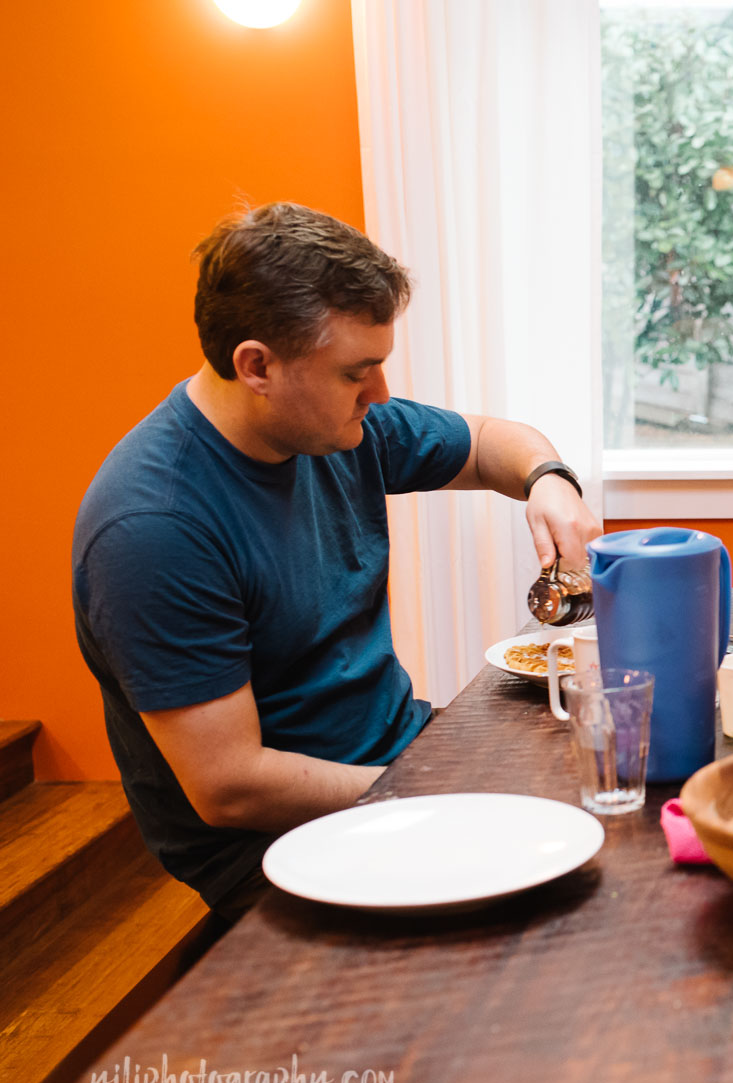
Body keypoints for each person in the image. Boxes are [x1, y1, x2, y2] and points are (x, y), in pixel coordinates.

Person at [71, 203, 603, 914]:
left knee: (606, 799)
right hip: (278, 850)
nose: (380, 395)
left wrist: (549, 479)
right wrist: (438, 786)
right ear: (256, 365)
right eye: (359, 371)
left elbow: (486, 442)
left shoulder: (336, 426)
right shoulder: (156, 528)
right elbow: (230, 788)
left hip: (396, 759)